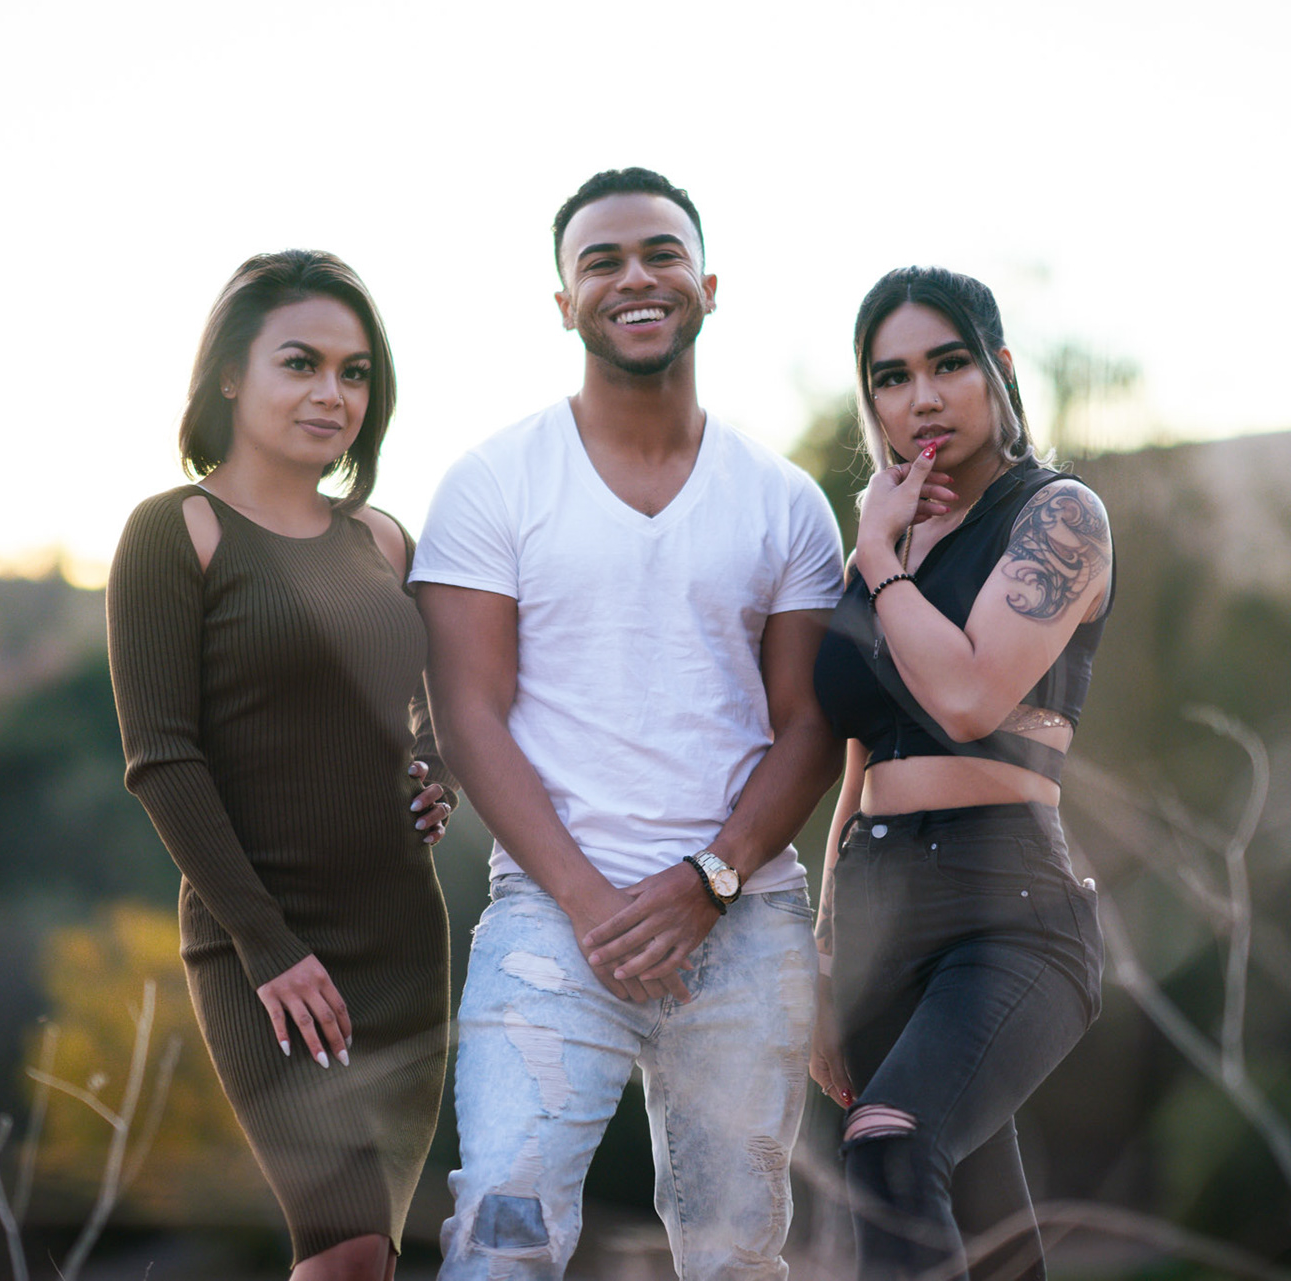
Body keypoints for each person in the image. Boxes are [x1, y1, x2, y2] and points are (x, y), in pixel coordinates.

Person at [411, 167, 845, 1280]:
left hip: (743, 923)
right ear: (564, 302)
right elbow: (469, 714)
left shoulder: (785, 500)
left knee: (736, 1257)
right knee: (501, 1233)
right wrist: (593, 904)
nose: (634, 278)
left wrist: (710, 882)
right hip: (552, 924)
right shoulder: (492, 482)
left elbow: (809, 722)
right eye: (600, 262)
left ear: (708, 285)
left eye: (661, 254)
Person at [106, 250, 456, 1281]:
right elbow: (161, 759)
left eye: (354, 373)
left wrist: (433, 767)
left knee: (369, 1259)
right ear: (230, 374)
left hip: (404, 941)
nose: (331, 393)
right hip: (265, 944)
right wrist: (268, 947)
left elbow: (424, 702)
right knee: (342, 1249)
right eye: (300, 363)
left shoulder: (383, 541)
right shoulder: (178, 531)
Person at [809, 267, 1112, 1281]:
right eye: (892, 377)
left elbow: (971, 697)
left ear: (999, 369)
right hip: (877, 909)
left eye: (947, 365)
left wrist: (877, 553)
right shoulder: (890, 543)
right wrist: (827, 952)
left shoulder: (1057, 516)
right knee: (992, 1241)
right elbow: (859, 752)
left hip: (1006, 902)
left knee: (890, 1147)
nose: (923, 398)